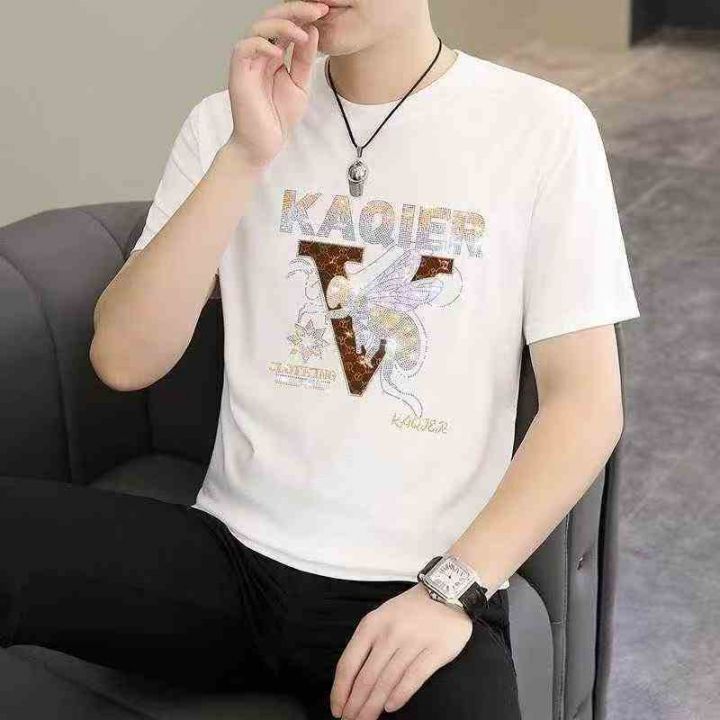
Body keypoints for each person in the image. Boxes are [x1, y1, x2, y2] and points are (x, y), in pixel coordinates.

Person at [1, 1, 640, 718]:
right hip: (227, 562)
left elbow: (586, 406)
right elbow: (124, 360)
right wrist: (246, 155)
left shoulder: (542, 127)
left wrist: (448, 592)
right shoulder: (226, 123)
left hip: (411, 590)